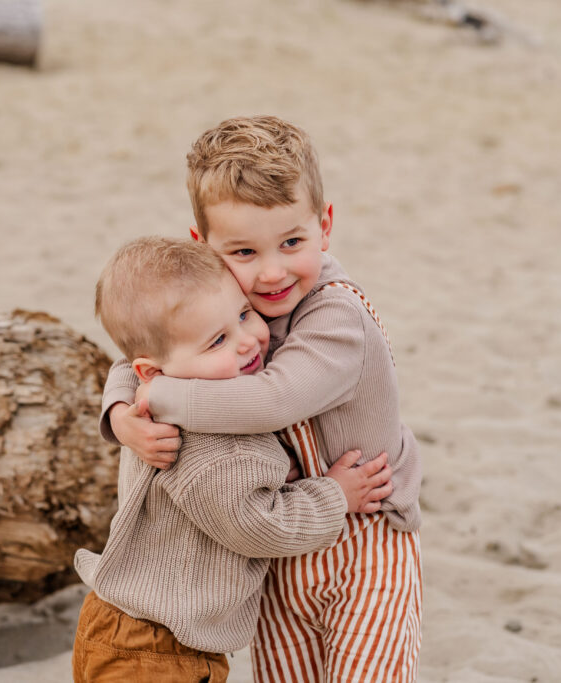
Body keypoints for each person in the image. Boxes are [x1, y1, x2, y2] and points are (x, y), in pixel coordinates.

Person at [102, 115, 424, 682]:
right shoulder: (228, 310)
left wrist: (161, 395)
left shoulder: (336, 316)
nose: (272, 273)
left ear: (325, 226)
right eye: (244, 252)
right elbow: (148, 346)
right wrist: (123, 413)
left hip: (366, 532)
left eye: (292, 243)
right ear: (204, 248)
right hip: (280, 545)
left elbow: (275, 400)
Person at [72, 236, 394, 682]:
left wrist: (118, 409)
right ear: (154, 372)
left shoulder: (158, 392)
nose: (248, 342)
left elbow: (129, 365)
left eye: (244, 314)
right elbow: (259, 526)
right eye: (217, 341)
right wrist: (335, 495)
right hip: (158, 648)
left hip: (128, 624)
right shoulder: (215, 447)